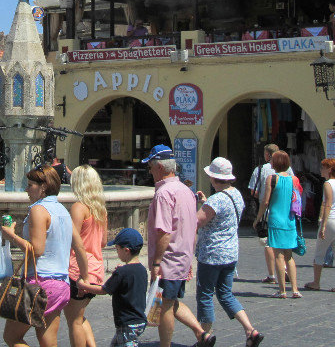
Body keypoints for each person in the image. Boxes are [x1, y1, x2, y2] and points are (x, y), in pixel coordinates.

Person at [0, 165, 89, 347]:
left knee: (12, 337)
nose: (26, 189)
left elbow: (36, 250)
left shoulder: (38, 210)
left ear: (44, 186)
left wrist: (11, 236)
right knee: (48, 342)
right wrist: (84, 278)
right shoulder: (63, 210)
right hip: (61, 285)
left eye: (31, 184)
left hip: (40, 283)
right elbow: (79, 246)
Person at [143, 144, 214, 347]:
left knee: (165, 305)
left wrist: (156, 263)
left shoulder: (164, 193)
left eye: (150, 167)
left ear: (159, 167)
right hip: (182, 257)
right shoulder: (185, 190)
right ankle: (202, 334)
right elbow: (192, 227)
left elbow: (164, 231)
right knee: (172, 301)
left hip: (168, 260)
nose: (149, 171)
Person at [196, 157, 264, 347]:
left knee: (205, 295)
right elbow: (220, 213)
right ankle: (250, 330)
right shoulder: (236, 195)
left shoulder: (216, 200)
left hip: (211, 254)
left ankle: (205, 336)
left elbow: (197, 221)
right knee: (226, 294)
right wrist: (206, 202)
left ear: (213, 177)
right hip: (230, 252)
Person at [76, 228, 148, 347]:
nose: (117, 252)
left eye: (117, 249)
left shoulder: (122, 272)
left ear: (126, 250)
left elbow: (104, 290)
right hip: (139, 320)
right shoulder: (141, 270)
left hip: (127, 323)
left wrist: (84, 285)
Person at [63, 165, 107, 347]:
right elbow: (103, 242)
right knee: (80, 316)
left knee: (74, 320)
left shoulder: (78, 207)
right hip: (96, 268)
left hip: (78, 269)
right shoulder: (100, 209)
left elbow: (72, 240)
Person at [254, 150, 300, 299]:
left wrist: (258, 218)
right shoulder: (293, 179)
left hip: (275, 219)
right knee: (289, 256)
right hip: (290, 220)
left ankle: (282, 290)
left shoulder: (272, 178)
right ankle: (294, 289)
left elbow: (265, 201)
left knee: (279, 256)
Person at [303, 158, 335, 293]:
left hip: (331, 221)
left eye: (323, 167)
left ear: (329, 170)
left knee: (319, 253)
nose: (320, 170)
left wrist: (323, 225)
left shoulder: (328, 184)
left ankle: (316, 282)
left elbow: (327, 204)